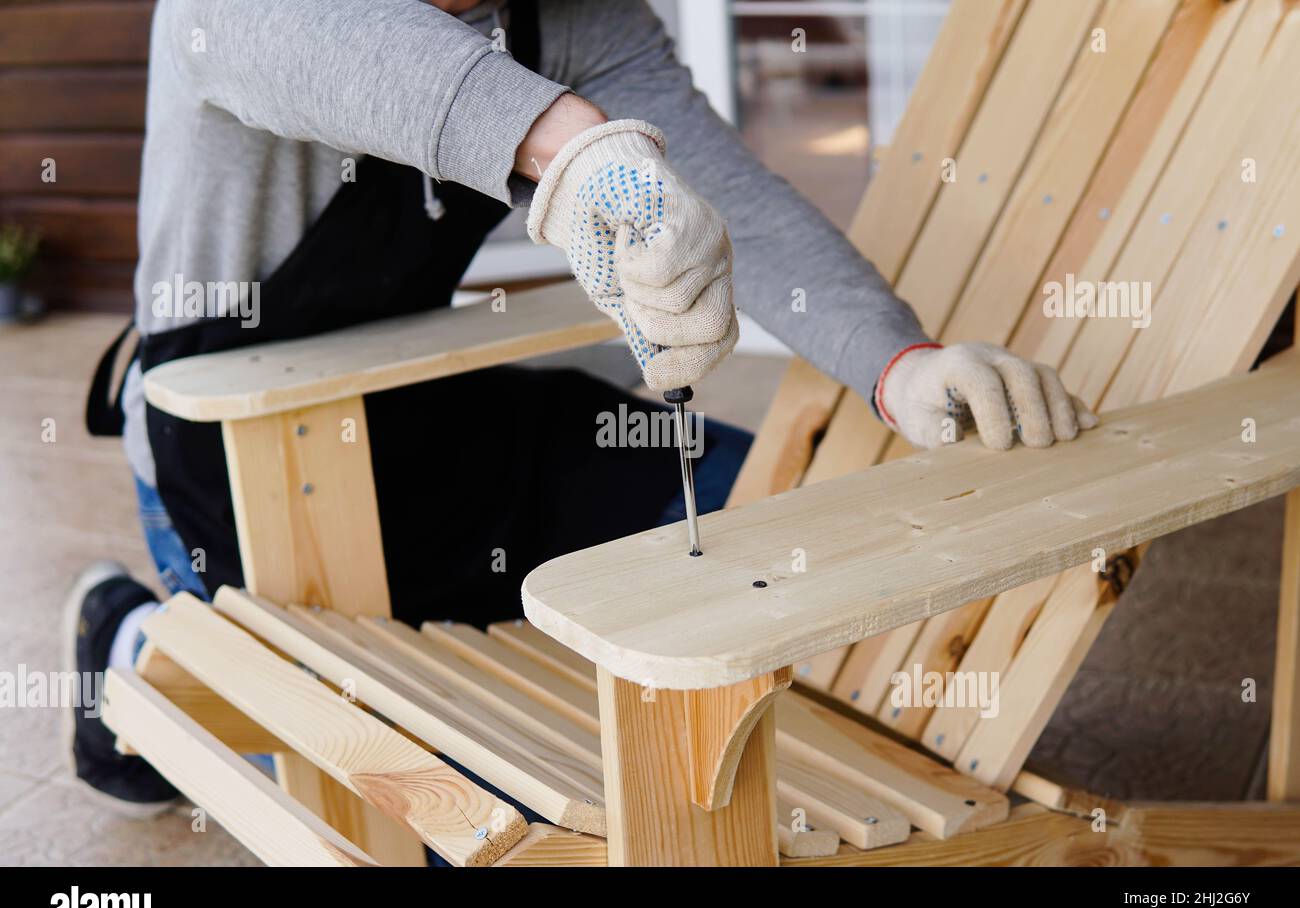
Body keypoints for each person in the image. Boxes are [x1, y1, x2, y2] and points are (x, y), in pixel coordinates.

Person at [67, 0, 1096, 817]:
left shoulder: (573, 21)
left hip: (427, 414)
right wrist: (569, 140)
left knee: (790, 506)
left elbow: (734, 202)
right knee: (453, 815)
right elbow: (331, 39)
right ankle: (129, 636)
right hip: (230, 459)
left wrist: (900, 363)